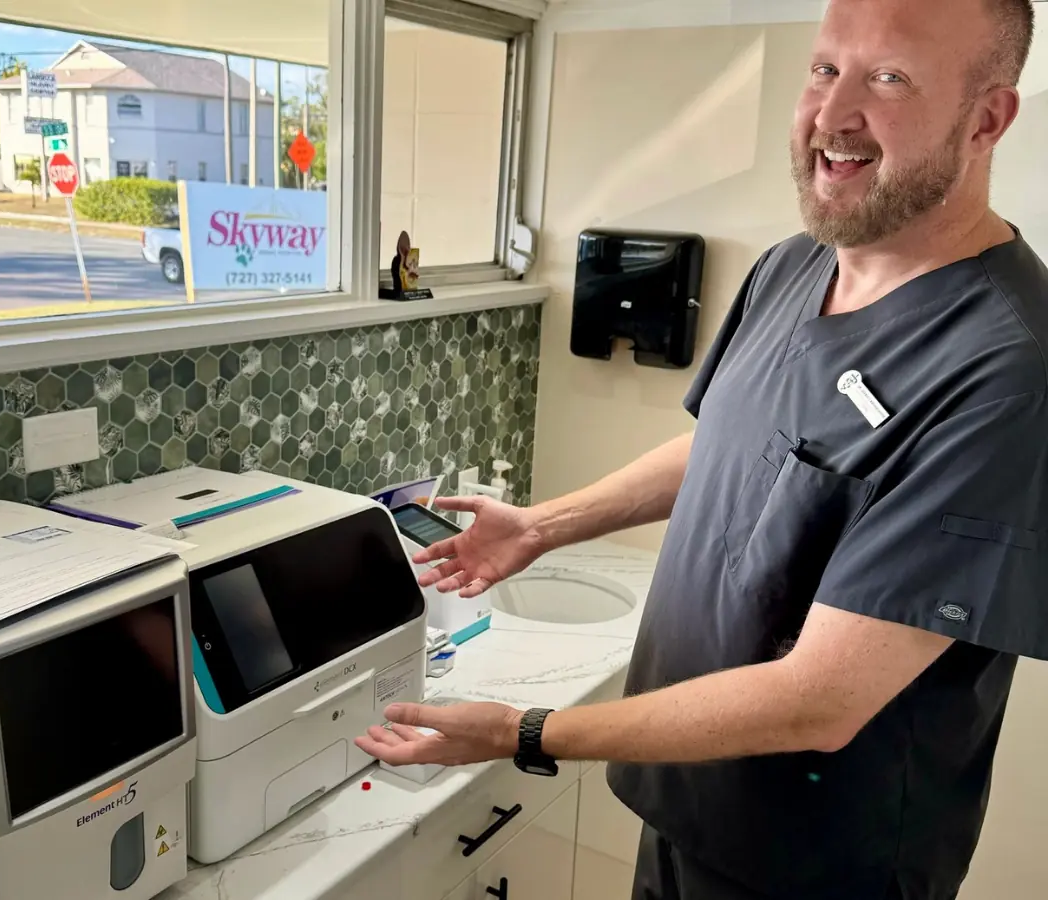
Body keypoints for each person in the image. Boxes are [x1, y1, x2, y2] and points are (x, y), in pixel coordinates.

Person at [354, 0, 1048, 897]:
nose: (833, 117)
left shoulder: (1005, 370)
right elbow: (731, 442)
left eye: (889, 77)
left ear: (988, 118)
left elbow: (821, 701)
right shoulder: (793, 267)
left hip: (825, 867)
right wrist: (541, 526)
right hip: (690, 817)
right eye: (824, 68)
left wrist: (525, 732)